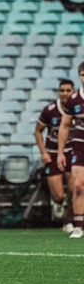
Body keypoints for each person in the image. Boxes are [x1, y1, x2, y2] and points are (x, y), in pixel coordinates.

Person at [35, 79, 75, 230]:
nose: (65, 93)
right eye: (62, 90)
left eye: (68, 90)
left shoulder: (78, 109)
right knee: (58, 196)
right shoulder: (49, 110)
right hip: (52, 155)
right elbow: (37, 131)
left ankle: (68, 221)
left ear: (73, 92)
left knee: (74, 190)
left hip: (71, 154)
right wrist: (43, 152)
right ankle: (58, 204)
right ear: (59, 92)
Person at [57, 61, 84, 239]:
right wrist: (60, 152)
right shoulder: (73, 99)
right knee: (78, 185)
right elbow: (64, 126)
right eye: (83, 74)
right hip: (79, 147)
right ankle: (79, 226)